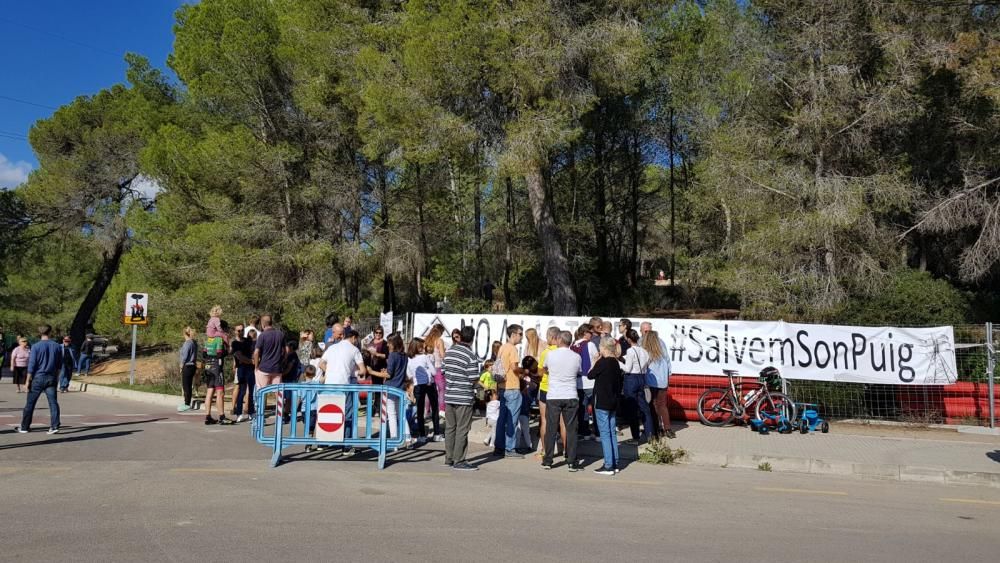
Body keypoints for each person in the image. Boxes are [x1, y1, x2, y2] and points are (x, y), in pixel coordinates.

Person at [541, 331, 582, 472]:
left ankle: (548, 460)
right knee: (571, 429)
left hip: (554, 395)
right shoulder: (576, 356)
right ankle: (571, 460)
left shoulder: (550, 355)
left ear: (559, 340)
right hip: (570, 394)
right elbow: (578, 371)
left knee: (551, 428)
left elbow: (545, 368)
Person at [320, 329, 367, 450]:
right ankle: (347, 446)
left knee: (328, 412)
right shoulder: (354, 350)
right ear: (354, 338)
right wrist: (356, 373)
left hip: (329, 384)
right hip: (344, 384)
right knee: (347, 414)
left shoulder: (332, 348)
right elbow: (362, 370)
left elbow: (321, 363)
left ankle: (323, 442)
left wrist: (330, 371)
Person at [442, 325, 480, 471]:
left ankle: (449, 457)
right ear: (472, 338)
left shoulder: (450, 351)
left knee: (450, 428)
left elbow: (444, 371)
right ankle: (459, 460)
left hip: (450, 395)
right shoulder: (470, 355)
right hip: (464, 396)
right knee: (462, 429)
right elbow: (472, 378)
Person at [17, 325, 63, 434]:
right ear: (50, 332)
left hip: (38, 377)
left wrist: (27, 381)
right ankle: (54, 425)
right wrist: (57, 378)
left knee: (30, 403)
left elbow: (32, 365)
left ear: (39, 333)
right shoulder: (57, 346)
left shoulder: (36, 347)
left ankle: (24, 427)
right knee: (53, 403)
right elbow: (59, 365)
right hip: (51, 377)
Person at [589, 336, 624, 475]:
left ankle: (609, 464)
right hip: (613, 401)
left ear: (603, 348)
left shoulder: (602, 363)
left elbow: (590, 375)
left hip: (602, 401)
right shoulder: (615, 362)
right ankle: (615, 462)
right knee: (611, 433)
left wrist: (594, 361)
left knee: (604, 434)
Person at [493, 324, 526, 458]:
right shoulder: (512, 349)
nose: (521, 337)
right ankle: (510, 448)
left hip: (502, 387)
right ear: (513, 334)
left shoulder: (502, 347)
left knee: (502, 419)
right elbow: (514, 367)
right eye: (520, 334)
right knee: (512, 419)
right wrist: (524, 371)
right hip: (512, 386)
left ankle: (499, 447)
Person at [536, 326, 566, 460]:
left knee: (545, 420)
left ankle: (544, 449)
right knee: (563, 421)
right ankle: (566, 450)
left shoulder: (546, 352)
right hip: (561, 388)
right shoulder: (565, 351)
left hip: (546, 388)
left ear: (552, 337)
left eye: (547, 336)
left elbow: (540, 372)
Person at [620, 329, 652, 443]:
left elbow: (627, 369)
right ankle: (650, 435)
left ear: (628, 339)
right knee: (645, 408)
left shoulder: (630, 351)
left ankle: (635, 437)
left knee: (632, 409)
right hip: (642, 378)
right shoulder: (644, 351)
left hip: (631, 379)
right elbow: (647, 365)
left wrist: (618, 362)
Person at [407, 337, 442, 443]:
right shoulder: (425, 357)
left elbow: (409, 375)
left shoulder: (410, 359)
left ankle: (422, 435)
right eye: (421, 346)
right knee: (435, 408)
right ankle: (436, 433)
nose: (423, 347)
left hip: (418, 385)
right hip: (429, 384)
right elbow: (434, 372)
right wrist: (427, 370)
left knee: (420, 410)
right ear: (418, 347)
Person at [643, 330, 674, 438]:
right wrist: (668, 374)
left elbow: (644, 366)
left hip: (651, 381)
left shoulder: (646, 349)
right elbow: (668, 361)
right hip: (663, 381)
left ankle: (656, 429)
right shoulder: (662, 346)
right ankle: (668, 428)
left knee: (653, 405)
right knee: (662, 405)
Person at [253, 315, 285, 417]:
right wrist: (282, 361)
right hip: (277, 368)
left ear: (263, 324)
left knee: (261, 391)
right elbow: (285, 350)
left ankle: (260, 415)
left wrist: (256, 366)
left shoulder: (262, 335)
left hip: (264, 367)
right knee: (278, 393)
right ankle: (280, 415)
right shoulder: (280, 334)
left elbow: (256, 352)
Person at [571, 324, 599, 441]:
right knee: (596, 408)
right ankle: (598, 433)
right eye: (590, 333)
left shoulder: (573, 345)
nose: (592, 335)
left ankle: (584, 432)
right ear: (585, 333)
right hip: (590, 380)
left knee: (582, 409)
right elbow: (596, 358)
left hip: (577, 381)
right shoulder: (590, 344)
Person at [203, 321, 233, 426]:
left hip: (207, 366)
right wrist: (228, 347)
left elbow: (204, 354)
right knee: (220, 392)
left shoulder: (208, 339)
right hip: (216, 367)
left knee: (210, 391)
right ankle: (222, 417)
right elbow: (222, 353)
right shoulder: (220, 338)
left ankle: (208, 417)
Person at [232, 325, 255, 422]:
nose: (240, 332)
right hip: (241, 368)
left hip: (250, 369)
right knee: (242, 391)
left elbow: (254, 348)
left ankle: (251, 412)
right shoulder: (235, 343)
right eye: (238, 330)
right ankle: (239, 413)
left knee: (251, 391)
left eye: (242, 330)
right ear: (235, 331)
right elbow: (239, 356)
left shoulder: (248, 341)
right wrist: (251, 361)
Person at [424, 324, 448, 413]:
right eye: (442, 332)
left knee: (429, 390)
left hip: (428, 368)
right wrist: (445, 351)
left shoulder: (426, 340)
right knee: (442, 390)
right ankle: (441, 410)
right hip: (438, 368)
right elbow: (442, 355)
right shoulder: (439, 341)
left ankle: (427, 411)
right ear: (440, 332)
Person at [178, 327, 198, 411]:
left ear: (184, 334)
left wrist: (181, 365)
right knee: (189, 385)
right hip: (193, 365)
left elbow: (185, 356)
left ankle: (187, 404)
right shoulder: (194, 343)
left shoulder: (187, 343)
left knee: (186, 386)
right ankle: (187, 402)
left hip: (187, 366)